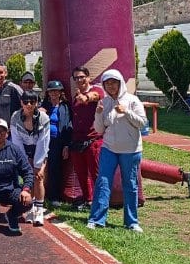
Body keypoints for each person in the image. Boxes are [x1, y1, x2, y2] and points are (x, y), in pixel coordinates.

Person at [87, 70, 147, 233]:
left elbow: (142, 123)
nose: (111, 86)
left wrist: (126, 112)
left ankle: (131, 222)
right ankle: (96, 219)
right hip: (109, 148)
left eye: (114, 82)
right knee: (103, 182)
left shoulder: (132, 100)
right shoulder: (104, 102)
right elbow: (99, 129)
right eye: (107, 83)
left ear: (120, 83)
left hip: (130, 149)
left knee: (130, 184)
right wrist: (98, 114)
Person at [10, 91, 50, 226]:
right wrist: (25, 163)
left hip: (39, 149)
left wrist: (38, 165)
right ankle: (30, 208)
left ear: (36, 103)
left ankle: (39, 210)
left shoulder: (43, 118)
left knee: (38, 177)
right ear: (21, 103)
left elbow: (43, 143)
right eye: (26, 101)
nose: (29, 105)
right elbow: (16, 142)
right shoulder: (15, 117)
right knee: (28, 178)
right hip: (23, 151)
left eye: (32, 102)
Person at [70, 66, 105, 210]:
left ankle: (101, 202)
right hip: (78, 140)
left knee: (96, 173)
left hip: (93, 140)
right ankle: (88, 199)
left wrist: (86, 98)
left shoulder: (97, 90)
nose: (79, 80)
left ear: (88, 78)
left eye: (82, 77)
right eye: (76, 78)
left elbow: (95, 96)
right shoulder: (76, 96)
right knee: (81, 173)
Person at [40, 80, 72, 207]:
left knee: (55, 169)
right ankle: (40, 194)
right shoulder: (44, 106)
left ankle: (54, 196)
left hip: (57, 141)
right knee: (41, 167)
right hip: (44, 140)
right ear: (48, 93)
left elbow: (68, 125)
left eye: (56, 91)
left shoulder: (65, 107)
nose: (54, 93)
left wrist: (66, 145)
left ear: (60, 93)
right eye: (51, 91)